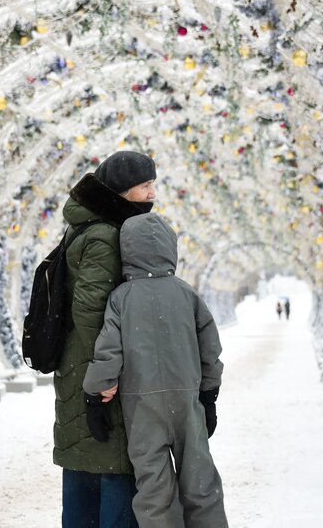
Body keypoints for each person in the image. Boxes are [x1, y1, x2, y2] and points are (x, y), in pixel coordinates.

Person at [83, 213, 227, 528]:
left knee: (154, 489)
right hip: (186, 400)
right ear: (170, 248)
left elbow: (108, 351)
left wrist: (95, 392)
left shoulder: (121, 297)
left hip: (142, 405)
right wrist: (209, 393)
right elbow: (210, 346)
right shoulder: (186, 293)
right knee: (200, 482)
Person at [55, 150, 156, 528]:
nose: (151, 194)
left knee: (83, 464)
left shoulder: (87, 226)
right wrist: (107, 374)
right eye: (144, 186)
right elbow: (91, 310)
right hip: (95, 369)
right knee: (113, 464)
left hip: (79, 364)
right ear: (120, 193)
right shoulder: (105, 236)